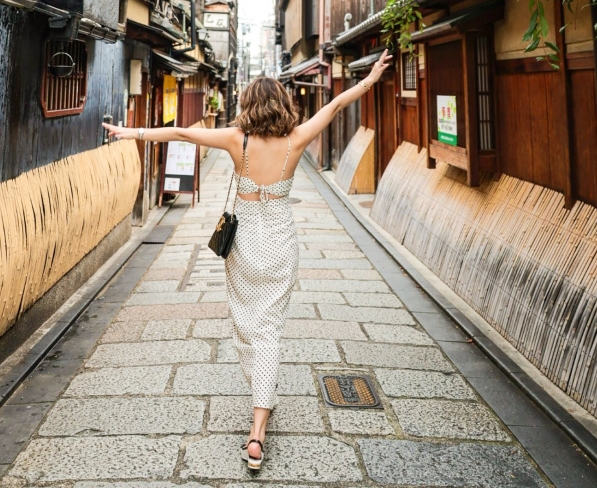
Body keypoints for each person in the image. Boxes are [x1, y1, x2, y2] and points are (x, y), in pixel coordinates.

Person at [103, 48, 392, 470]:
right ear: (283, 105)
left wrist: (134, 132)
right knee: (270, 329)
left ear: (249, 106)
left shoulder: (237, 140)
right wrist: (370, 80)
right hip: (279, 244)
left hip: (243, 248)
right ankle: (259, 426)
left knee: (245, 326)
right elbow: (335, 104)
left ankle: (259, 401)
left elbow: (183, 133)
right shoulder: (296, 140)